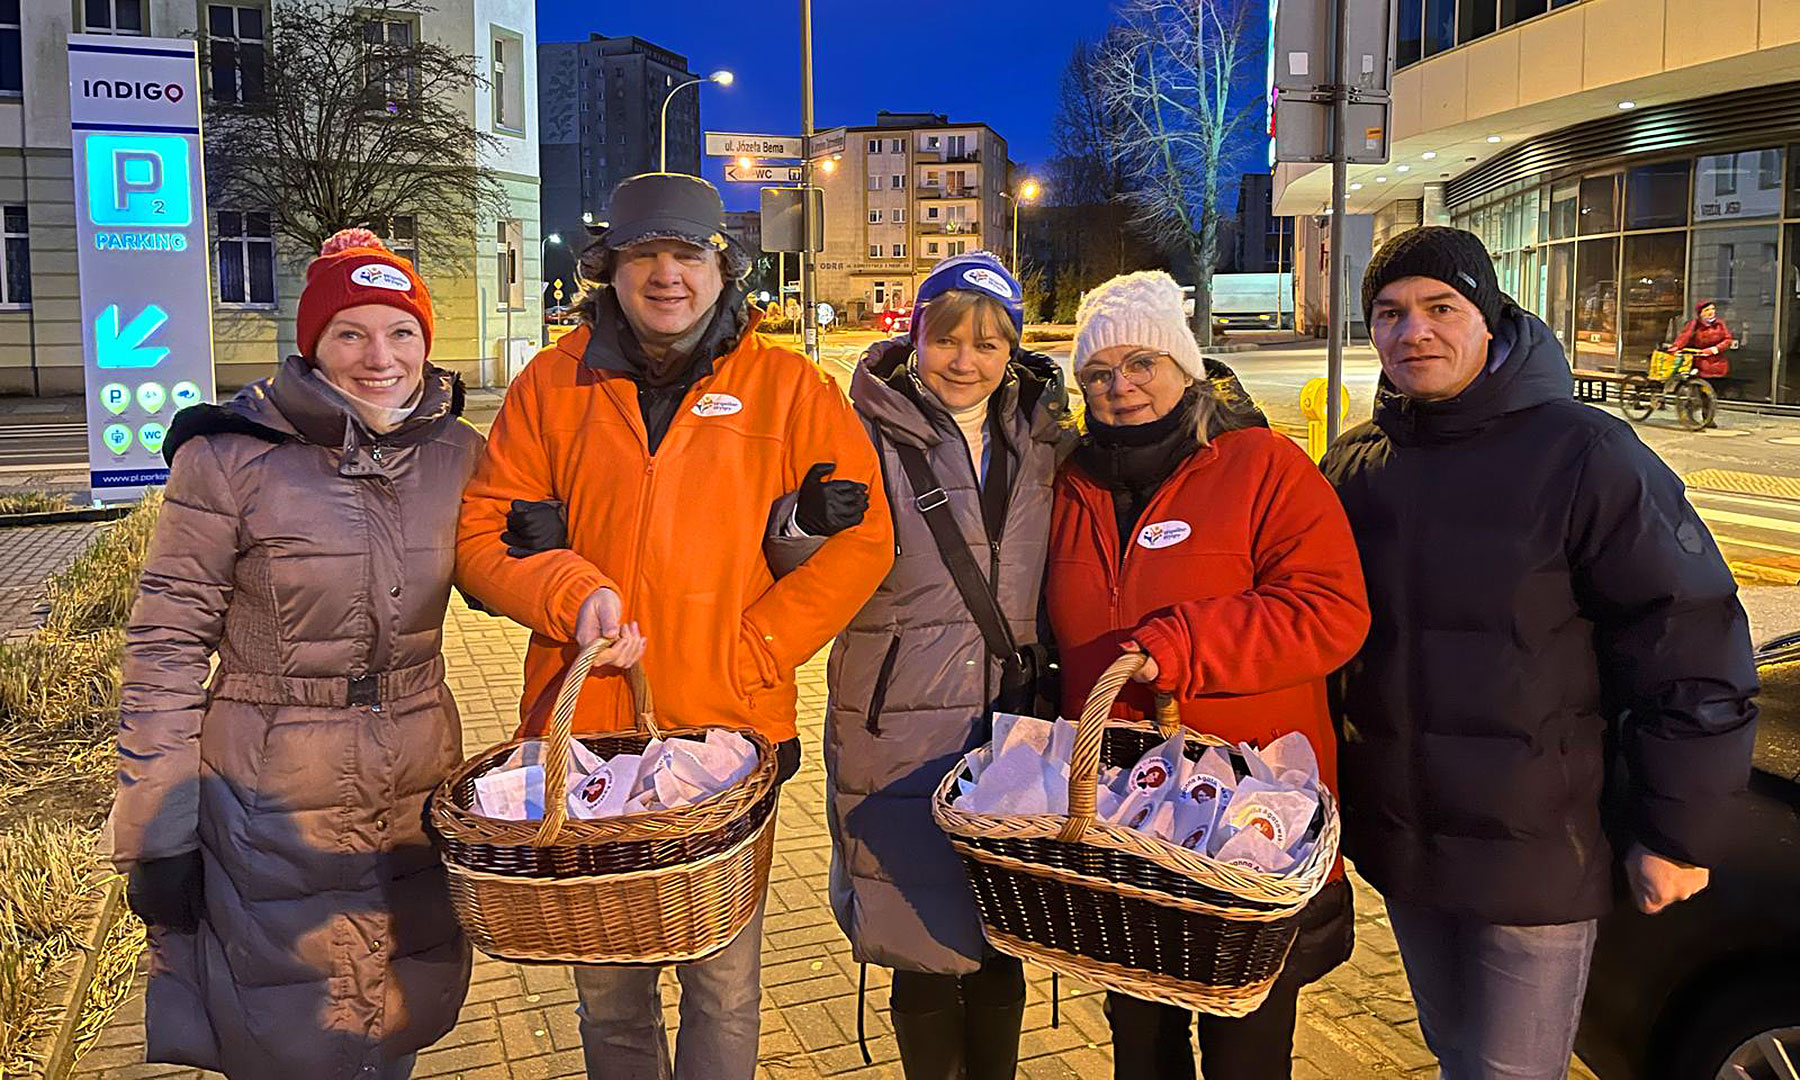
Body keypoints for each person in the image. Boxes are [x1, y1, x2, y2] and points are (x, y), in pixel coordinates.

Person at [455, 172, 894, 1080]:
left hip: (727, 735)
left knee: (723, 988)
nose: (666, 274)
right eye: (643, 254)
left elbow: (867, 540)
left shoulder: (788, 386)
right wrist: (567, 590)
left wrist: (761, 645)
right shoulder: (552, 384)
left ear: (722, 267)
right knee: (610, 992)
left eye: (687, 253)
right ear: (607, 269)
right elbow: (478, 540)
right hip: (585, 737)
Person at [1321, 226, 1759, 1080]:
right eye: (1390, 313)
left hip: (1538, 855)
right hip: (1408, 849)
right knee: (1455, 1054)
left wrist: (1677, 833)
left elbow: (1689, 639)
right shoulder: (1357, 464)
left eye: (1441, 307)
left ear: (1488, 318)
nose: (1414, 332)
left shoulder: (1586, 454)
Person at [112, 229, 481, 1079]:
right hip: (269, 794)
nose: (380, 358)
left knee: (393, 1018)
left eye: (401, 332)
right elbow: (166, 647)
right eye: (351, 332)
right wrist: (159, 829)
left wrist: (550, 555)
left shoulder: (457, 452)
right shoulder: (228, 458)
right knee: (285, 1028)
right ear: (313, 343)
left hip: (416, 780)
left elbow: (503, 576)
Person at [1045, 270, 1371, 1080]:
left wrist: (1186, 645)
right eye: (1097, 373)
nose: (1119, 387)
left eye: (1141, 364)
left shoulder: (1264, 466)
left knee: (1244, 1054)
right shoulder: (1070, 483)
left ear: (1185, 368)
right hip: (1125, 823)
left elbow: (1332, 611)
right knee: (1140, 1047)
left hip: (1245, 826)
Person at [795, 253, 1070, 1080]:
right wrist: (803, 521)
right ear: (915, 336)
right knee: (916, 935)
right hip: (898, 719)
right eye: (946, 338)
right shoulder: (860, 432)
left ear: (1012, 350)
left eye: (988, 344)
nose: (964, 361)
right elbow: (785, 561)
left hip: (1016, 716)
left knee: (1004, 932)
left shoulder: (1047, 437)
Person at [1669, 299, 1735, 379]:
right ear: (1700, 313)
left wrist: (1714, 349)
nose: (1711, 312)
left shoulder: (1720, 324)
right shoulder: (1694, 324)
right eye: (1707, 310)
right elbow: (1685, 336)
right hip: (1700, 363)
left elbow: (1728, 339)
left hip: (1719, 363)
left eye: (1713, 309)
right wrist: (1676, 347)